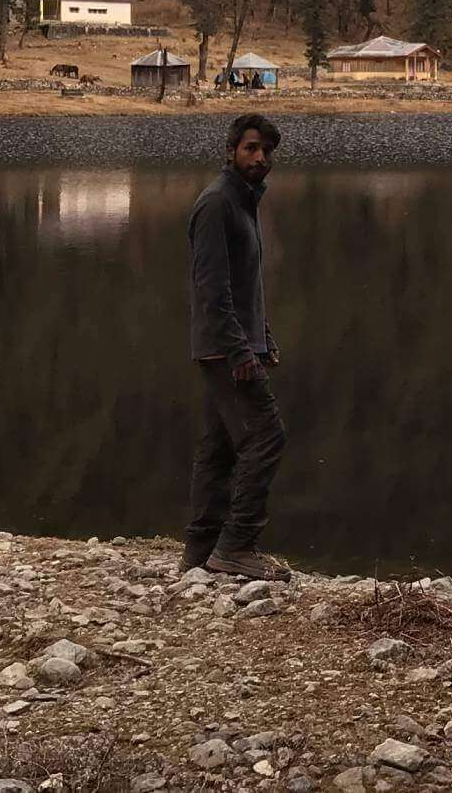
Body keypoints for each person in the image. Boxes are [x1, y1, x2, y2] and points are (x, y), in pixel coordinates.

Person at [184, 112, 291, 579]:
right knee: (266, 437)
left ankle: (201, 548)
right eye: (250, 148)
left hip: (234, 344)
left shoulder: (243, 201)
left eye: (266, 151)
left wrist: (261, 336)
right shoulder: (216, 204)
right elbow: (212, 288)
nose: (259, 158)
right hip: (225, 349)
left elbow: (244, 284)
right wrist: (239, 350)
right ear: (231, 151)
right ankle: (237, 545)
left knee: (220, 446)